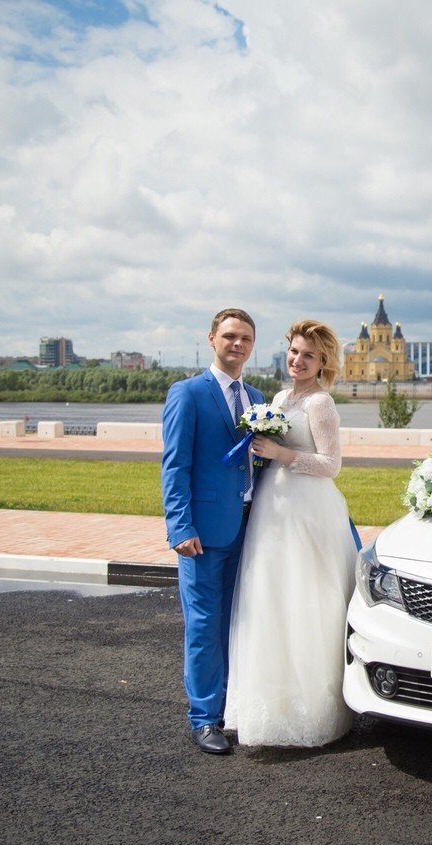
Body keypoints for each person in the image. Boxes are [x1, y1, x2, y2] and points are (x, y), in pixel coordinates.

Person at [224, 319, 358, 748]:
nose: (298, 360)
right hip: (273, 506)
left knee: (305, 599)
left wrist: (281, 453)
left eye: (309, 355)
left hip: (307, 510)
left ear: (322, 363)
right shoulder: (281, 398)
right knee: (270, 598)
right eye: (295, 351)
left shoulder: (320, 403)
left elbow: (331, 465)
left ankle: (312, 709)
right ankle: (271, 703)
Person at [161, 308, 265, 755]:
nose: (237, 344)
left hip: (250, 529)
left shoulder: (256, 397)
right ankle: (205, 719)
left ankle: (232, 707)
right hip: (202, 533)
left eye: (245, 338)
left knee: (237, 623)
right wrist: (180, 526)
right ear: (212, 339)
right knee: (204, 626)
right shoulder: (188, 393)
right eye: (229, 336)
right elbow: (174, 465)